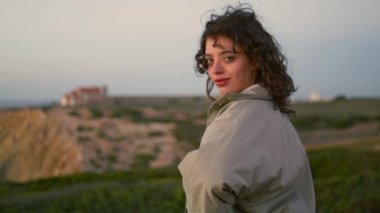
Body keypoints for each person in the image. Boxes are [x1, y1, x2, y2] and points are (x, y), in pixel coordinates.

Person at [178, 4, 315, 213]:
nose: (215, 70)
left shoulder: (239, 117)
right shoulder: (272, 111)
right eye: (209, 60)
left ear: (255, 60)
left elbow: (207, 181)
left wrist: (194, 163)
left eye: (228, 58)